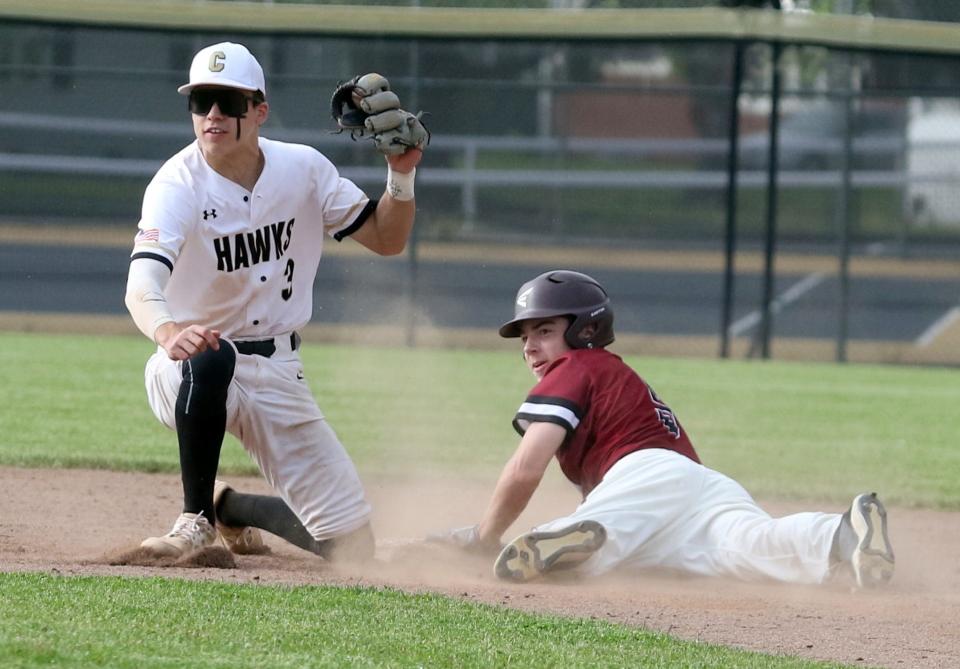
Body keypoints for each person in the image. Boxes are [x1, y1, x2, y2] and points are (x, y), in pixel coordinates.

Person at [124, 42, 425, 563]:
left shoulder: (303, 169)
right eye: (201, 102)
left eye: (229, 101)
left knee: (352, 549)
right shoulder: (176, 184)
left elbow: (386, 238)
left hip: (279, 368)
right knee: (209, 354)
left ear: (259, 110)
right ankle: (194, 520)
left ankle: (231, 507)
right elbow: (141, 282)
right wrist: (169, 332)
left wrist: (401, 175)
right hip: (189, 366)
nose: (213, 114)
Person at [431, 270, 895, 589]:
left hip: (642, 475)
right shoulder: (610, 371)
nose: (531, 347)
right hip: (701, 486)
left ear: (584, 331)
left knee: (595, 546)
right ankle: (842, 533)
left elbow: (525, 467)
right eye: (525, 336)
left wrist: (486, 534)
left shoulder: (575, 366)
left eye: (545, 330)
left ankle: (563, 537)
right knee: (751, 546)